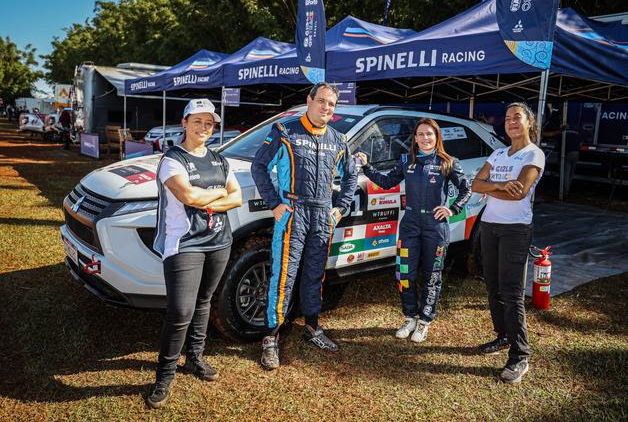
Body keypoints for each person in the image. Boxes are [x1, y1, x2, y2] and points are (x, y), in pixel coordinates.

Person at [251, 82, 357, 370]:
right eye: (321, 101)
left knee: (314, 274)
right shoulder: (286, 131)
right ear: (309, 100)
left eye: (331, 104)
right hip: (293, 213)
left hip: (322, 214)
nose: (326, 107)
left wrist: (340, 209)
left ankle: (312, 327)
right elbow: (258, 166)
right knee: (284, 275)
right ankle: (271, 337)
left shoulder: (339, 139)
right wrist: (274, 203)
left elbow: (351, 177)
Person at [146, 98, 243, 409]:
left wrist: (208, 199)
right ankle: (164, 375)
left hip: (219, 241)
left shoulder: (219, 160)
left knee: (204, 301)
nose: (204, 127)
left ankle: (195, 358)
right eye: (198, 121)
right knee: (180, 312)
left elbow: (237, 197)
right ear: (184, 123)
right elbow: (186, 195)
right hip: (184, 243)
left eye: (210, 123)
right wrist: (217, 195)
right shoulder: (172, 160)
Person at [355, 118, 471, 343]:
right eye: (421, 134)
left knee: (432, 276)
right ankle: (410, 317)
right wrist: (367, 167)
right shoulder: (406, 160)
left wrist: (452, 208)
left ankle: (425, 320)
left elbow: (467, 188)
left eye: (430, 134)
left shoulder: (448, 162)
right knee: (404, 274)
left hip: (435, 228)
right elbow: (387, 182)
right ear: (415, 138)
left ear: (437, 137)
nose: (425, 138)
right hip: (409, 225)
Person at [471, 102, 545, 384]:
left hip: (515, 230)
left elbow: (520, 193)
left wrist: (494, 186)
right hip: (489, 227)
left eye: (517, 117)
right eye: (507, 118)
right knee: (493, 287)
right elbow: (476, 185)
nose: (511, 122)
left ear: (529, 122)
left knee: (512, 293)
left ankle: (520, 356)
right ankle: (503, 336)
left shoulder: (533, 154)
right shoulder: (499, 152)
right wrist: (502, 185)